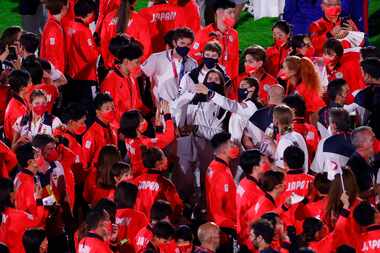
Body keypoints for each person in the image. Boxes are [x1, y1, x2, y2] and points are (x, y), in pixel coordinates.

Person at [190, 0, 239, 95]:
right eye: (230, 12)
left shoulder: (234, 34)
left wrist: (234, 87)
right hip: (209, 84)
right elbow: (193, 59)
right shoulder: (204, 34)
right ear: (218, 12)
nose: (233, 16)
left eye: (234, 12)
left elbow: (235, 62)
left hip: (227, 85)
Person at [193, 76, 260, 144]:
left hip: (249, 150)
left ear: (252, 88)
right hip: (237, 148)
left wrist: (209, 93)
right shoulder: (244, 105)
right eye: (240, 86)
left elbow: (230, 104)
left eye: (243, 86)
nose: (240, 88)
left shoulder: (251, 105)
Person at [141, 27, 197, 104]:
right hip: (163, 107)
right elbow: (141, 75)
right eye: (182, 43)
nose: (185, 47)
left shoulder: (192, 63)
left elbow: (193, 88)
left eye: (188, 44)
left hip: (183, 108)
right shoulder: (156, 58)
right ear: (174, 43)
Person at [119, 100, 175, 177]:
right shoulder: (144, 143)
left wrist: (158, 126)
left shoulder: (128, 139)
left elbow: (157, 142)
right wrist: (167, 116)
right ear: (136, 127)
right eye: (141, 120)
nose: (144, 121)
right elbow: (169, 137)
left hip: (136, 174)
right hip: (147, 175)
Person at [101, 35, 146, 125]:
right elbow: (108, 112)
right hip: (121, 129)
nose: (139, 66)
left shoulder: (131, 76)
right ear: (126, 61)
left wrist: (149, 114)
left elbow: (138, 103)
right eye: (137, 62)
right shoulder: (111, 80)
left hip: (134, 124)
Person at [64, 0, 98, 116]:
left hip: (71, 76)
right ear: (89, 14)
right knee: (89, 112)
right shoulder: (84, 31)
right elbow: (91, 56)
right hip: (86, 78)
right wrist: (97, 47)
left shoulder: (68, 26)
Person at [131, 147, 183, 219]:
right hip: (158, 226)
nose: (166, 158)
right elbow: (177, 207)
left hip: (139, 225)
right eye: (164, 156)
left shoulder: (135, 181)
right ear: (158, 163)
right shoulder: (165, 184)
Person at [100, 0, 152, 69]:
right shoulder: (141, 21)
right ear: (135, 3)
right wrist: (135, 66)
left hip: (112, 68)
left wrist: (108, 63)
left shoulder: (108, 17)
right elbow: (146, 50)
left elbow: (104, 43)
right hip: (131, 70)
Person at [0, 178, 46, 253]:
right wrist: (38, 199)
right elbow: (37, 219)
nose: (17, 191)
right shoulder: (17, 215)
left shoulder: (6, 214)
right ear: (11, 194)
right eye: (15, 189)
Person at [205, 132, 238, 230]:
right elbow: (217, 207)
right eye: (231, 145)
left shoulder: (214, 165)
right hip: (225, 228)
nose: (235, 147)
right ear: (223, 150)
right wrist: (232, 227)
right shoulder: (221, 173)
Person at [311, 107, 355, 175]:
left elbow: (317, 170)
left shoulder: (325, 143)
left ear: (334, 125)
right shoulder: (357, 141)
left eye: (330, 123)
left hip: (330, 184)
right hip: (351, 184)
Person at [236, 149, 266, 245]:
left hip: (242, 234)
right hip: (251, 241)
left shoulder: (243, 181)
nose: (265, 163)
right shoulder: (256, 192)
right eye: (262, 162)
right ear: (255, 167)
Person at [322, 38, 365, 103]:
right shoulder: (320, 67)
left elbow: (355, 90)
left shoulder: (348, 67)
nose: (326, 57)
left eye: (331, 55)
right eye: (325, 54)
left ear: (338, 55)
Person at [82, 93, 118, 168]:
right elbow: (85, 163)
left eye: (113, 107)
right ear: (97, 112)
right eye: (107, 109)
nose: (111, 111)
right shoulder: (90, 134)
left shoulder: (113, 128)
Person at [283, 94, 320, 162]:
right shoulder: (312, 129)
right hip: (309, 171)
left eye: (283, 109)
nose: (281, 112)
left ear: (293, 110)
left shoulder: (285, 130)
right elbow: (317, 152)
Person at [271, 104, 309, 171]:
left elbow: (286, 170)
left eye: (273, 117)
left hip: (291, 180)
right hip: (302, 178)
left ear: (276, 121)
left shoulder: (284, 141)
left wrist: (270, 164)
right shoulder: (298, 136)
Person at [115, 182, 149, 252]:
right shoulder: (140, 216)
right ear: (133, 198)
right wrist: (121, 242)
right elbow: (132, 238)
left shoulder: (109, 214)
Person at [347, 127, 378, 198]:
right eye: (372, 139)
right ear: (362, 144)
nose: (376, 141)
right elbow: (353, 196)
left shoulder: (369, 158)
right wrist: (374, 190)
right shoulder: (353, 167)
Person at [13, 143, 44, 214]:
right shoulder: (27, 182)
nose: (41, 156)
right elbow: (32, 211)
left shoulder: (23, 175)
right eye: (37, 155)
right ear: (30, 162)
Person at [354, 58, 380, 142]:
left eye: (361, 72)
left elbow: (355, 122)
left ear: (368, 75)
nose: (360, 76)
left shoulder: (363, 96)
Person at [40, 0, 68, 73]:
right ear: (64, 7)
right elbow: (52, 53)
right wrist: (57, 74)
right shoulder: (53, 27)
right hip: (54, 73)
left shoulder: (54, 25)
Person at [4, 69, 30, 143]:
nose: (31, 84)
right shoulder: (17, 110)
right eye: (30, 82)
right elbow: (17, 140)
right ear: (23, 88)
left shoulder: (20, 98)